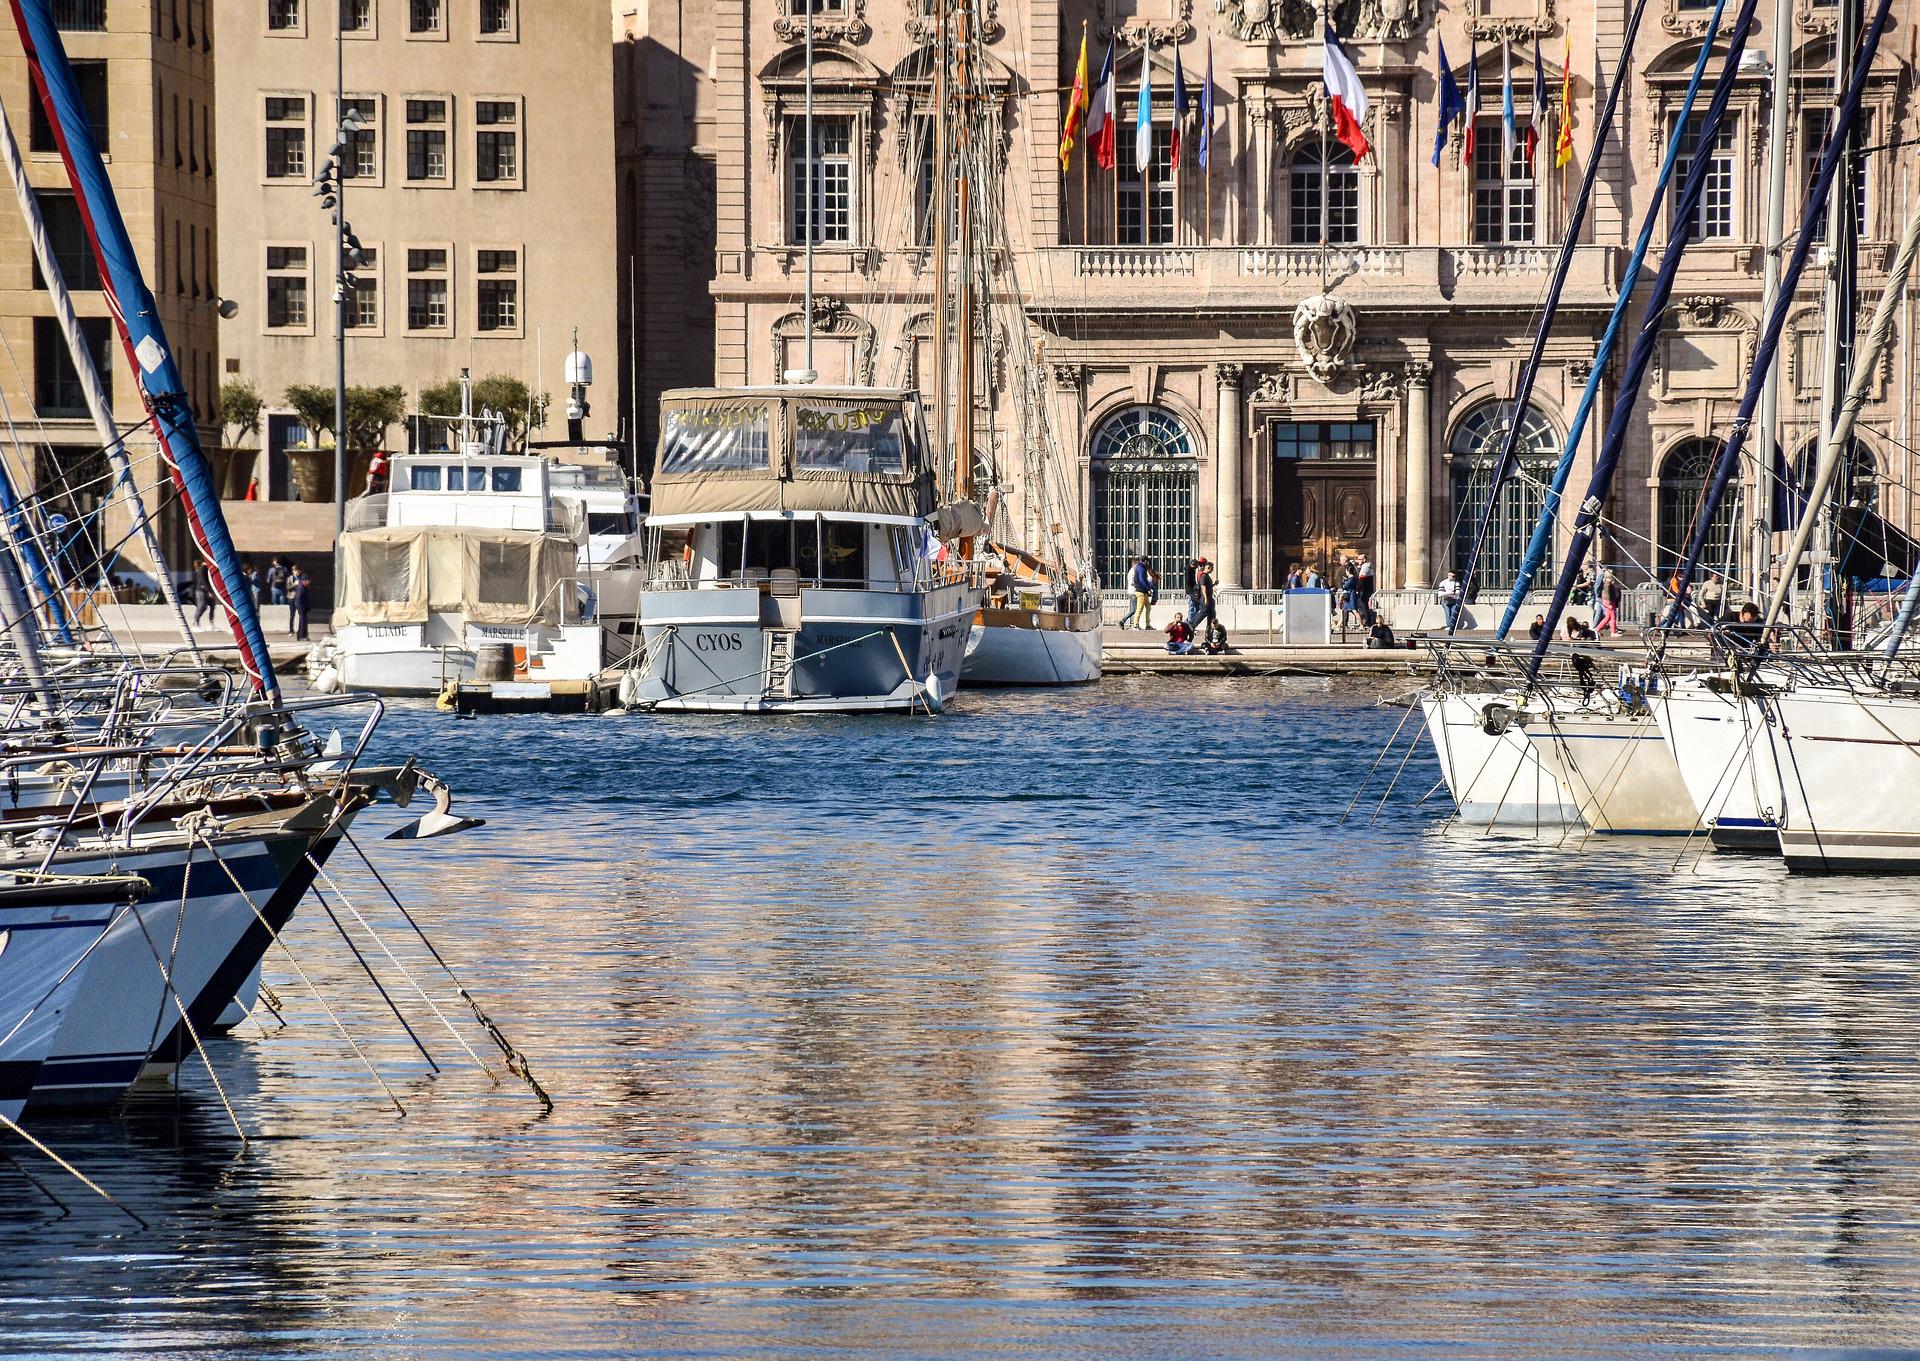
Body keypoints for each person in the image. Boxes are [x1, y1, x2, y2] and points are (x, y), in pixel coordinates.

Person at [1192, 557, 1218, 639]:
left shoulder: (1207, 576)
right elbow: (1203, 587)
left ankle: (1210, 631)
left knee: (1212, 615)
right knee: (1203, 612)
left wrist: (1214, 584)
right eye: (1212, 568)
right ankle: (1192, 625)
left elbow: (1208, 586)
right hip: (1206, 598)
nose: (1213, 570)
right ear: (1208, 567)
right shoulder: (1203, 576)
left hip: (1210, 598)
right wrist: (1206, 598)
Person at [1126, 553, 1154, 630]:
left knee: (1148, 607)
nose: (1148, 563)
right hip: (1141, 591)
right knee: (1139, 608)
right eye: (1147, 562)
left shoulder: (1139, 567)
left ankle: (1147, 624)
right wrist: (1148, 588)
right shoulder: (1141, 568)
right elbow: (1142, 579)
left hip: (1143, 591)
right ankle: (1135, 625)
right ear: (1145, 561)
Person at [1597, 568, 1622, 637]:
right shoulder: (1608, 583)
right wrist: (1610, 602)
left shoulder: (1609, 582)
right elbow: (1607, 593)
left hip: (1609, 601)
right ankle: (1612, 632)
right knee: (1612, 617)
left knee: (1608, 617)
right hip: (1609, 601)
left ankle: (1598, 629)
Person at [289, 566, 311, 641]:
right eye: (295, 570)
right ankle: (301, 635)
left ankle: (303, 635)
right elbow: (298, 594)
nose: (308, 582)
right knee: (302, 619)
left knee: (304, 619)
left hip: (302, 602)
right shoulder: (300, 583)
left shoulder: (301, 580)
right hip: (300, 602)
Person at [191, 561, 215, 628]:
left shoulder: (205, 568)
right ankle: (196, 622)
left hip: (203, 590)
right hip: (202, 591)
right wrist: (209, 591)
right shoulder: (203, 569)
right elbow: (204, 581)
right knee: (202, 606)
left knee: (211, 606)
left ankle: (211, 623)